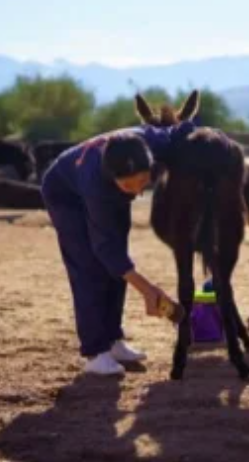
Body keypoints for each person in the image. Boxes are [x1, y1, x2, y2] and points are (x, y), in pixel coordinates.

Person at [41, 122, 194, 375]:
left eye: (143, 181)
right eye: (128, 186)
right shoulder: (96, 185)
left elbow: (183, 129)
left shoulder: (155, 143)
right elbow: (106, 248)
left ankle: (113, 341)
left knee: (117, 263)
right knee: (89, 266)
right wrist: (148, 290)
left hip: (109, 194)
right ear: (113, 179)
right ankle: (95, 352)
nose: (137, 191)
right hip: (66, 195)